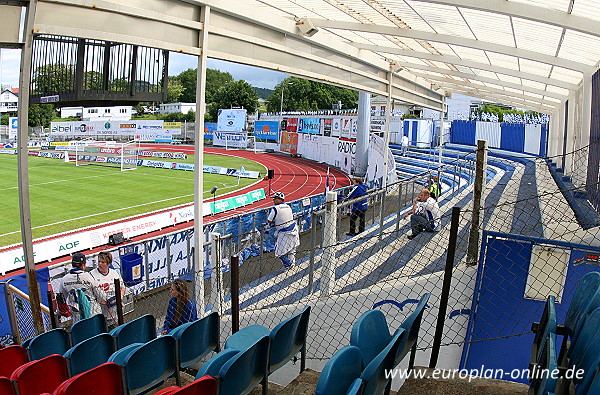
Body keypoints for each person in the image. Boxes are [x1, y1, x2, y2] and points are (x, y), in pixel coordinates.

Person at [59, 252, 106, 323]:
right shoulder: (89, 276)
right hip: (93, 314)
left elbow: (61, 299)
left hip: (77, 317)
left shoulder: (64, 279)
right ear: (83, 265)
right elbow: (102, 296)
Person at [90, 251, 126, 327]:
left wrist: (121, 296)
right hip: (101, 311)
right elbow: (89, 292)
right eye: (99, 261)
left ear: (108, 264)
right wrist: (97, 300)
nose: (100, 264)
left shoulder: (114, 273)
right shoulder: (92, 275)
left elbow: (122, 287)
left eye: (103, 262)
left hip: (115, 309)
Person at [267, 192, 300, 269]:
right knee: (291, 250)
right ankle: (292, 266)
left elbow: (269, 220)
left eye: (275, 199)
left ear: (280, 199)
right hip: (294, 230)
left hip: (284, 232)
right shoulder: (288, 206)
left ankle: (288, 265)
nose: (274, 200)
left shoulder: (275, 208)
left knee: (279, 252)